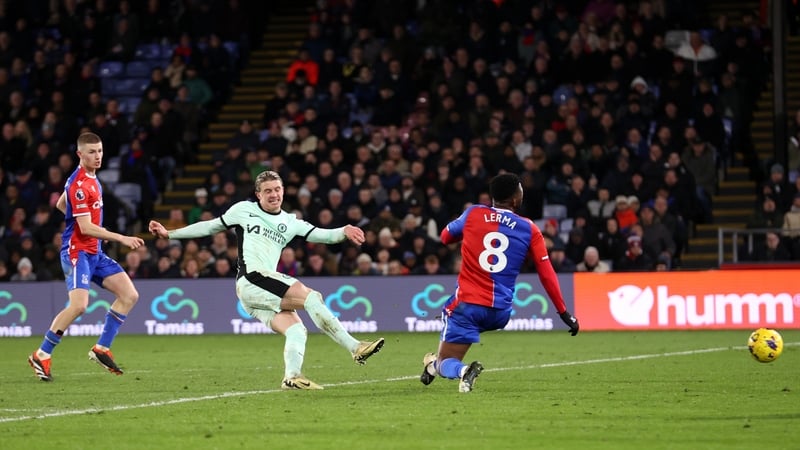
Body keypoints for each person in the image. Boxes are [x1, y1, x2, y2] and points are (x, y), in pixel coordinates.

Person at [148, 170, 384, 390]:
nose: (274, 194)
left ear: (283, 191)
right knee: (313, 298)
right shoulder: (243, 210)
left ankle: (291, 377)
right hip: (253, 278)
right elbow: (210, 227)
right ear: (258, 194)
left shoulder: (291, 222)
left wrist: (344, 230)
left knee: (296, 330)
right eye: (268, 191)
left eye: (277, 189)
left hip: (254, 294)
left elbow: (323, 235)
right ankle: (355, 347)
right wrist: (170, 234)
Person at [419, 174, 579, 393]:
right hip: (500, 312)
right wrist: (563, 312)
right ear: (515, 199)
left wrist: (469, 230)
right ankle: (432, 365)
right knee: (447, 346)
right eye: (520, 190)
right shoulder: (529, 228)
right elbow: (546, 273)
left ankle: (458, 370)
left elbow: (445, 237)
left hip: (467, 306)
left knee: (448, 359)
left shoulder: (474, 213)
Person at [28, 132, 146, 382]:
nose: (98, 156)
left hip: (95, 252)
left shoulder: (91, 179)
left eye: (100, 151)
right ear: (79, 154)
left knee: (129, 295)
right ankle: (42, 353)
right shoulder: (80, 185)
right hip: (77, 252)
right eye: (92, 152)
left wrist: (78, 219)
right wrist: (122, 238)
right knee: (80, 305)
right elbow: (86, 228)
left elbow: (62, 204)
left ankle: (101, 348)